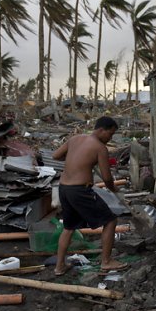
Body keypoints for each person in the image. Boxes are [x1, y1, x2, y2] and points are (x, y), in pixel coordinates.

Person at [51, 116, 128, 276]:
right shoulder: (100, 148)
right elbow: (107, 178)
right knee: (110, 220)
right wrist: (114, 189)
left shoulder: (75, 139)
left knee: (69, 227)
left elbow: (55, 156)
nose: (111, 138)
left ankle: (59, 267)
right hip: (80, 191)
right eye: (110, 134)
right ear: (101, 130)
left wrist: (77, 160)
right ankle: (106, 262)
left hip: (64, 188)